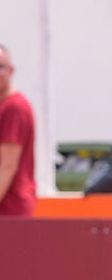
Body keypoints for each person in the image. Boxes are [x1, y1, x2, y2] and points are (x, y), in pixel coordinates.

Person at [0, 44, 36, 217]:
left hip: (10, 209)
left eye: (1, 67)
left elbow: (7, 165)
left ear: (11, 70)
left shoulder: (14, 108)